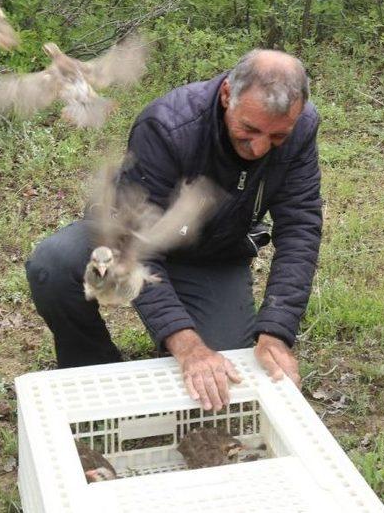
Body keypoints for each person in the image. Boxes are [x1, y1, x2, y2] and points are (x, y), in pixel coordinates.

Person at [26, 49, 322, 412]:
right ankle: (94, 372)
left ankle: (191, 326)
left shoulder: (302, 127)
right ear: (228, 95)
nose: (259, 148)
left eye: (277, 138)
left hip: (213, 255)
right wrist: (187, 346)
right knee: (53, 263)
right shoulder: (168, 125)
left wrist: (276, 330)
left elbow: (300, 226)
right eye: (249, 129)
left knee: (227, 375)